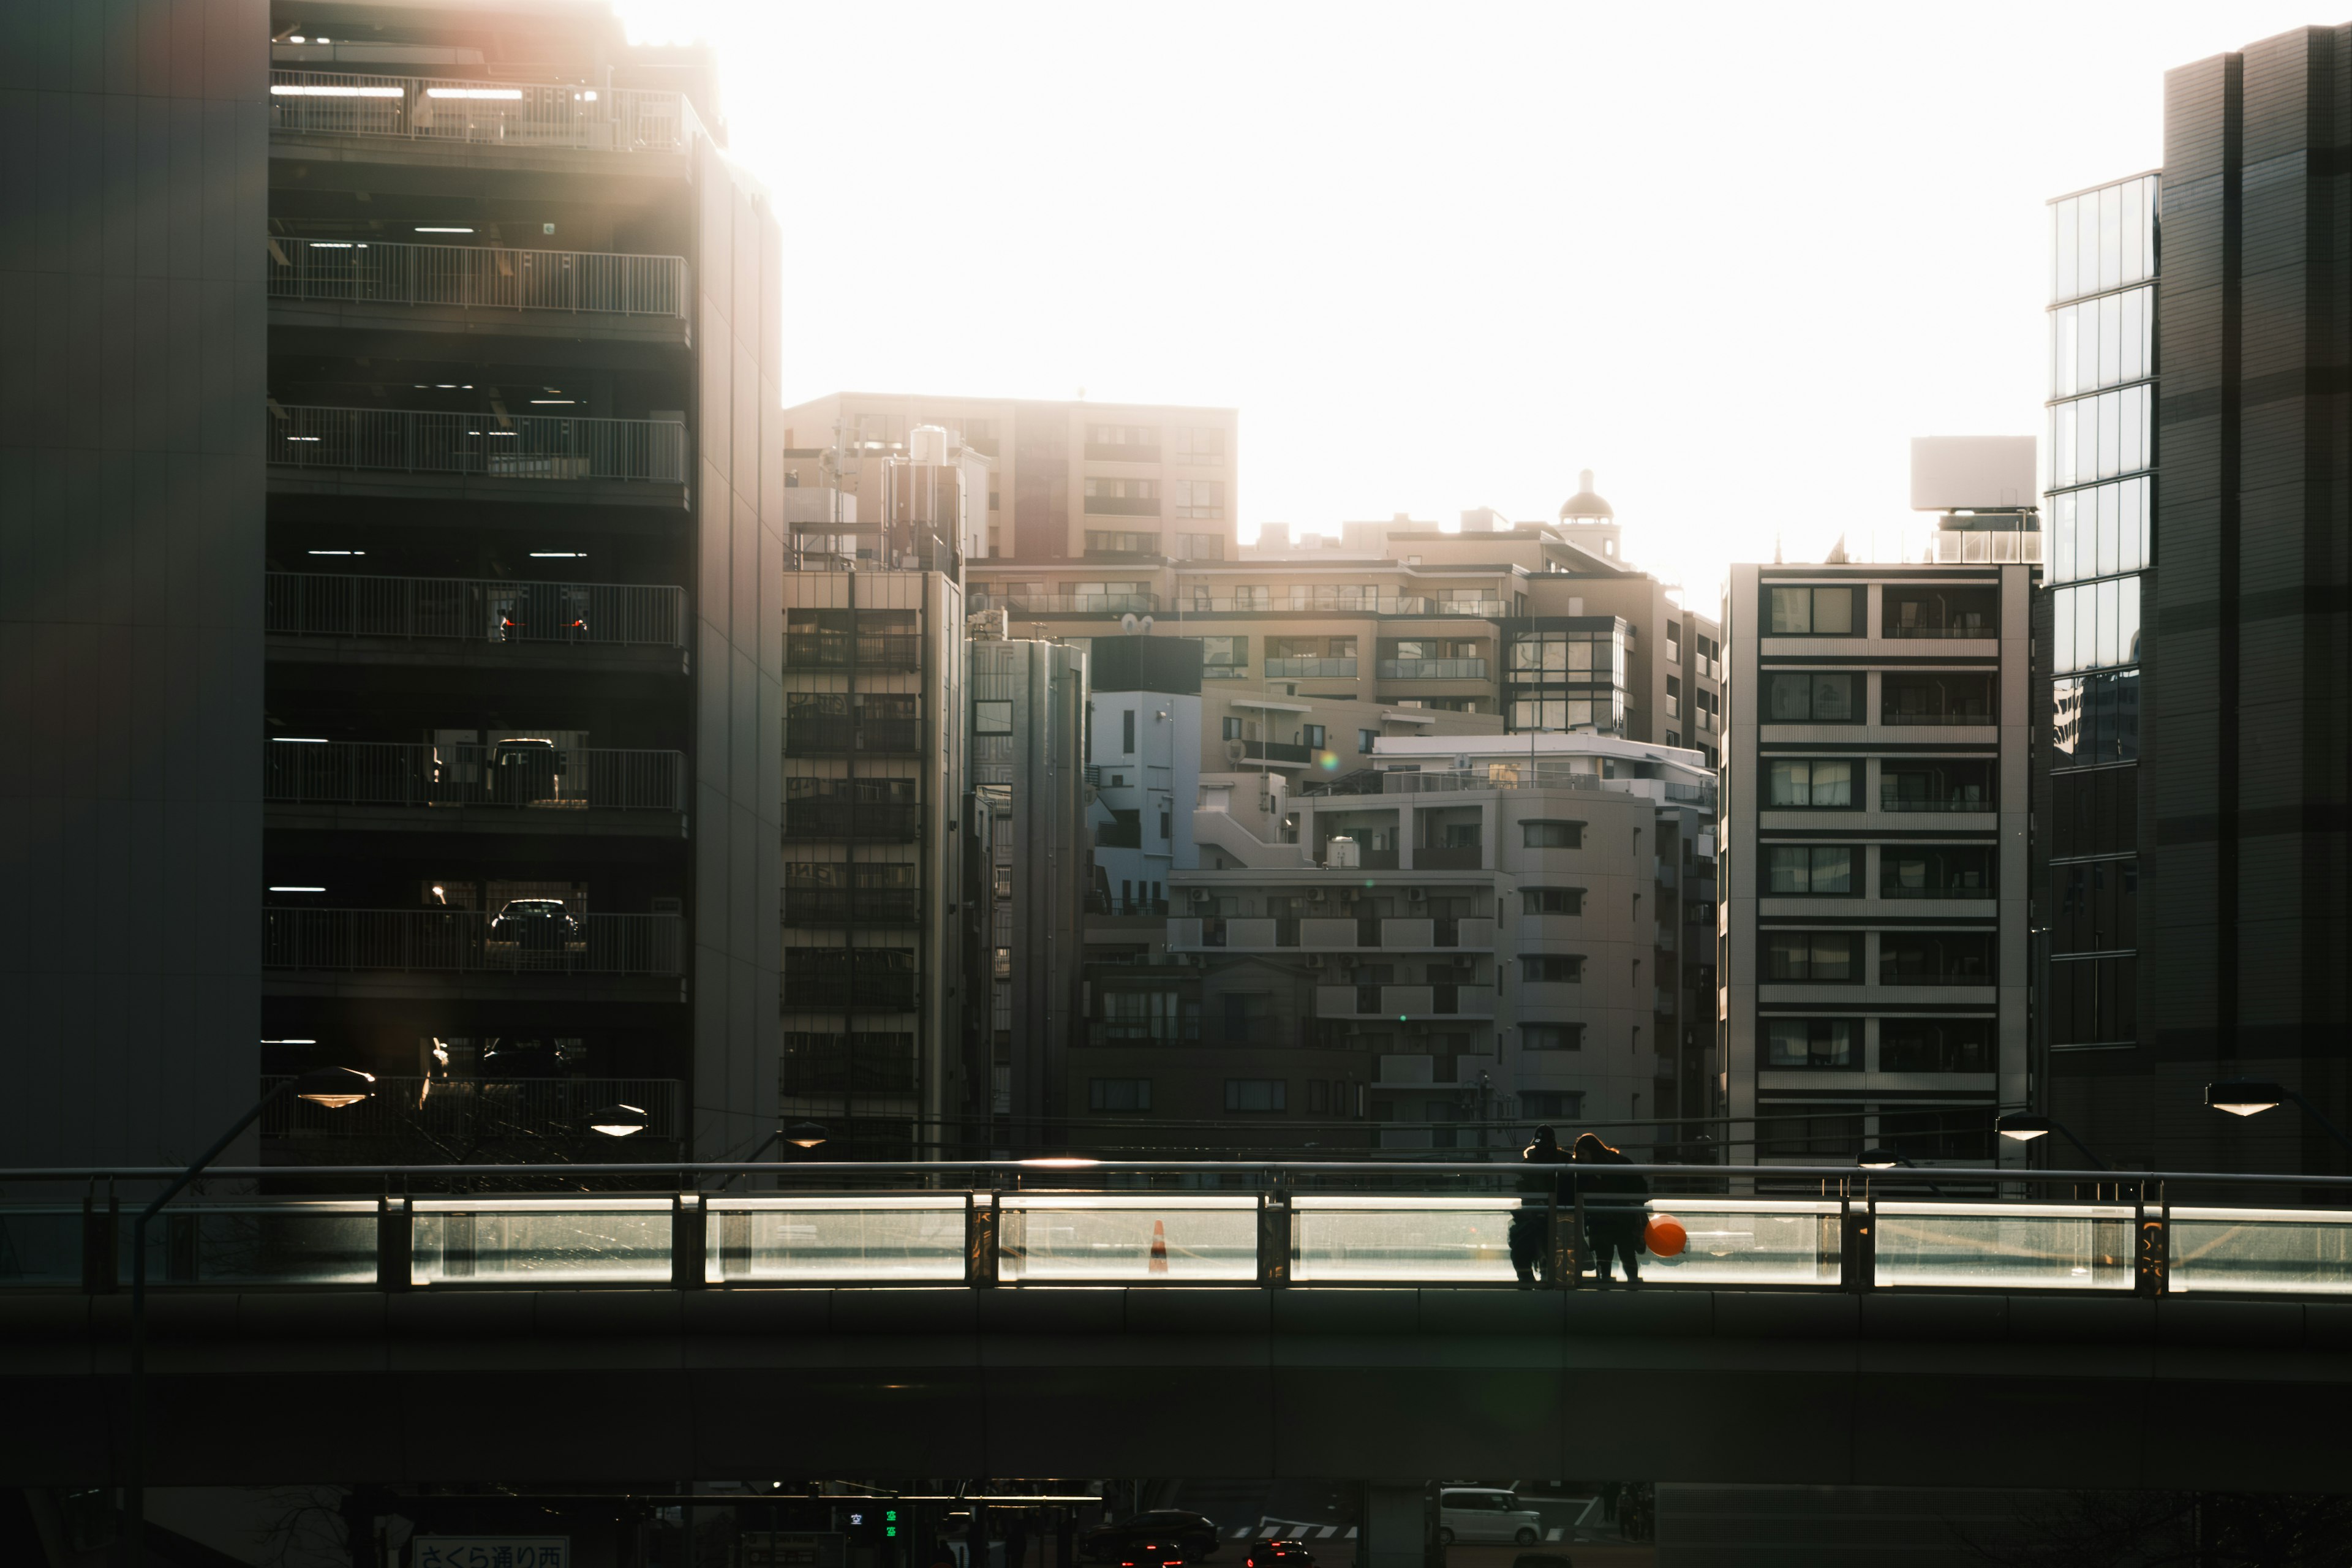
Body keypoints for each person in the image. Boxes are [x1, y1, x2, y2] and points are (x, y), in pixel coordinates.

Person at [1572, 1132, 1649, 1285]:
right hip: (1623, 1218)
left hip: (1599, 1221)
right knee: (1627, 1255)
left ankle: (1604, 1285)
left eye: (1582, 1154)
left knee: (1603, 1257)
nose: (1580, 1158)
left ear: (1592, 1151)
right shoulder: (1620, 1162)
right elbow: (1641, 1187)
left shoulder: (1582, 1173)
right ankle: (1633, 1285)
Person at [1509, 1125, 1571, 1285]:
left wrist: (1534, 1204)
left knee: (1524, 1240)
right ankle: (1545, 1272)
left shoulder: (1529, 1163)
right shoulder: (1565, 1161)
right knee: (1543, 1237)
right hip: (1559, 1213)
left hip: (1541, 1213)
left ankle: (1528, 1278)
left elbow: (1522, 1188)